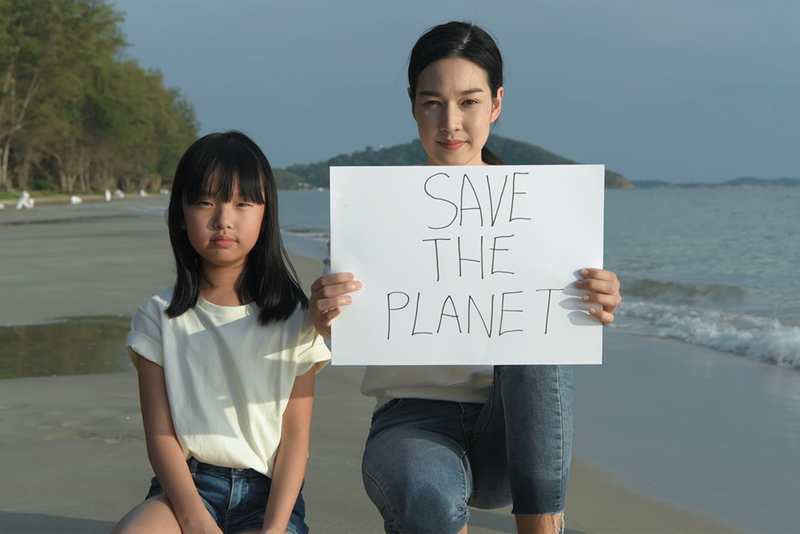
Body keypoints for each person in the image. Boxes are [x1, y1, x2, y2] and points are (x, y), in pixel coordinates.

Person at [309, 22, 621, 534]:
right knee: (425, 495)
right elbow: (331, 332)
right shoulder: (374, 211)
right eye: (432, 102)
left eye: (469, 102)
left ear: (496, 104)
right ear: (412, 104)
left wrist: (593, 302)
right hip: (411, 422)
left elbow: (560, 335)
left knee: (538, 345)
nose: (450, 122)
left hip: (513, 432)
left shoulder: (542, 211)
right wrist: (322, 315)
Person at [113, 131, 330, 534]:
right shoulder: (157, 318)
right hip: (186, 488)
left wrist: (274, 527)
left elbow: (296, 435)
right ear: (181, 212)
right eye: (205, 202)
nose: (223, 219)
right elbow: (160, 435)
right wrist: (195, 520)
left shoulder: (296, 317)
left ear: (266, 214)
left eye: (242, 203)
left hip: (268, 496)